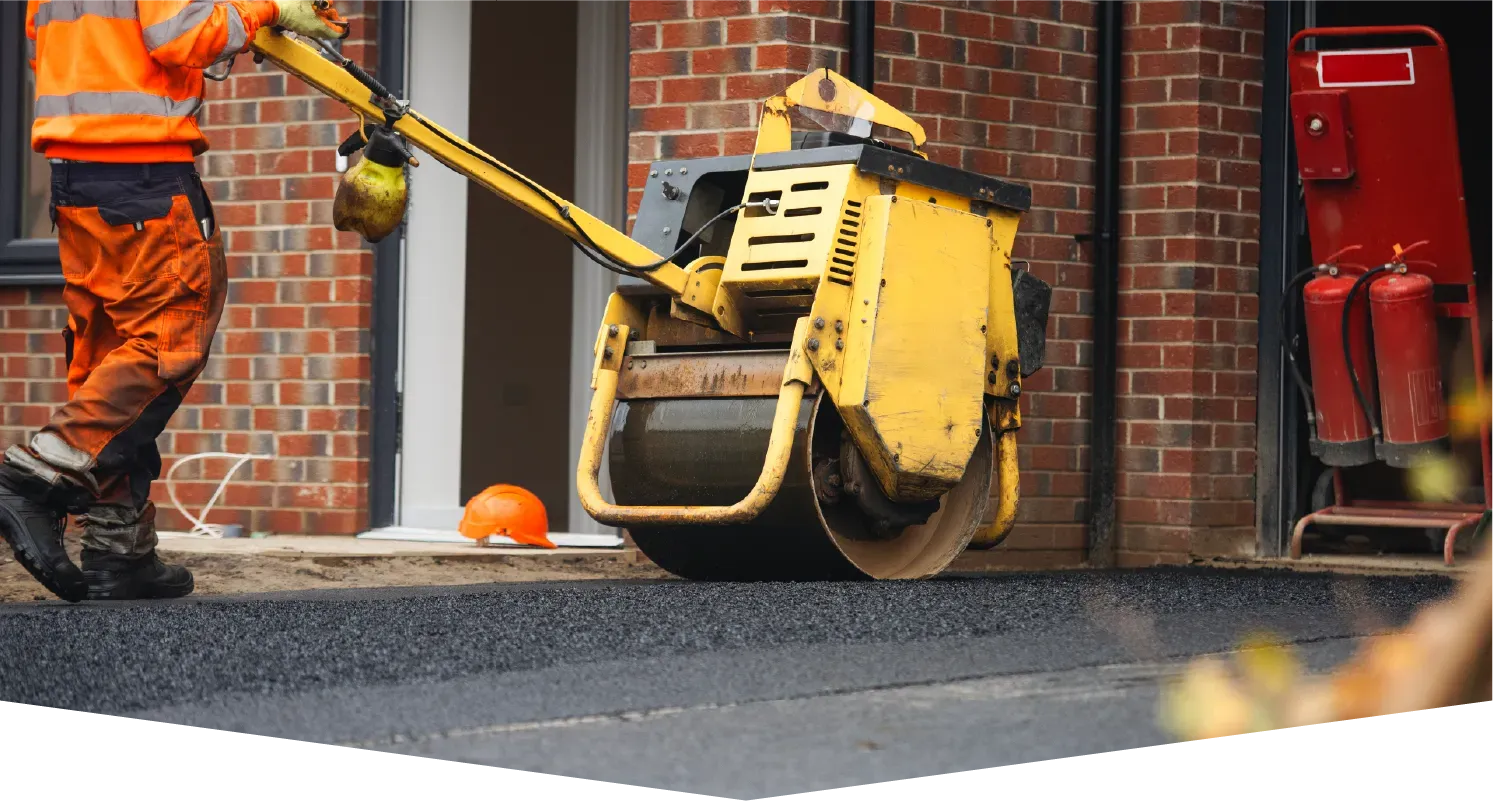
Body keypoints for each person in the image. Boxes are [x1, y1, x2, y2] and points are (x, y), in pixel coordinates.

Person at [2, 1, 349, 603]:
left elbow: (74, 59)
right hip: (145, 174)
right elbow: (181, 32)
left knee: (109, 356)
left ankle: (118, 548)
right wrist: (266, 8)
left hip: (75, 176)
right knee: (170, 338)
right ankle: (37, 473)